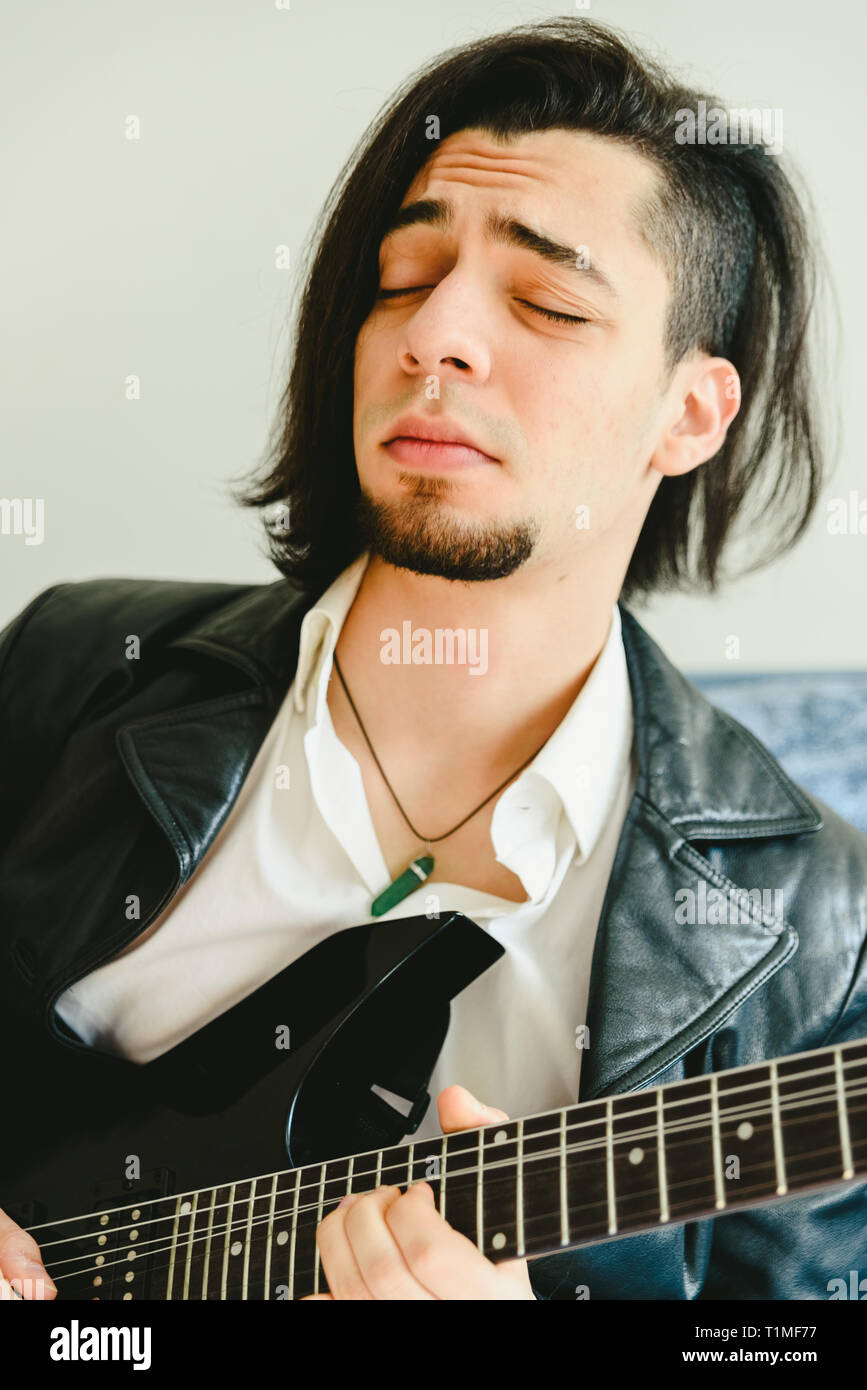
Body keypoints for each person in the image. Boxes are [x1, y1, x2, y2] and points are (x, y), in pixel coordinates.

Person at [1, 17, 864, 1302]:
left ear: (690, 412)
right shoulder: (76, 663)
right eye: (403, 279)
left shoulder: (818, 937)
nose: (435, 335)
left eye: (547, 302)